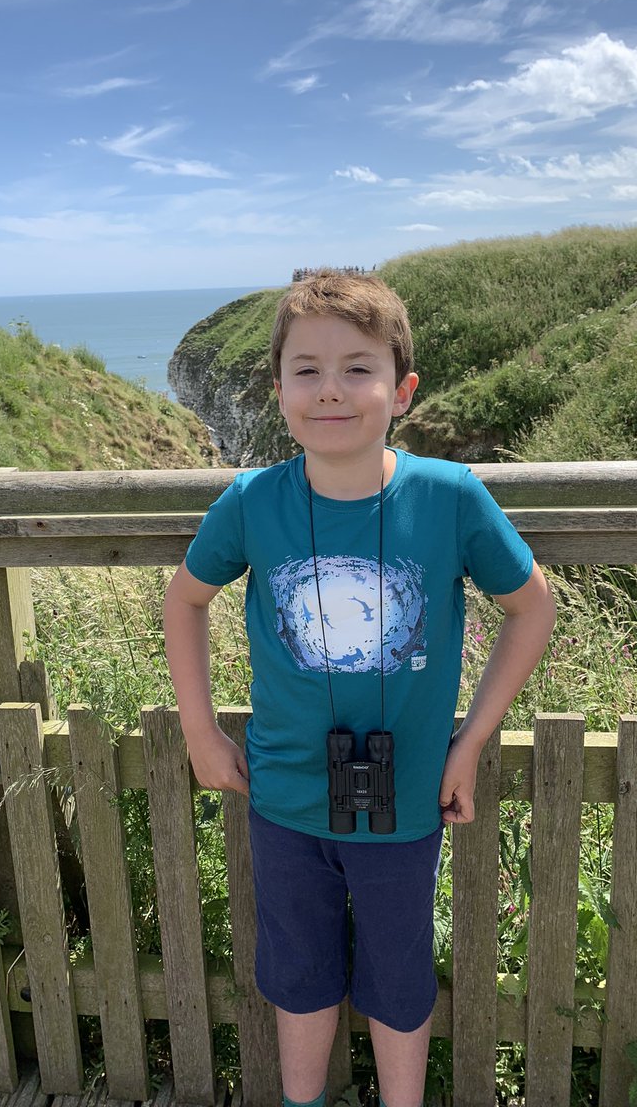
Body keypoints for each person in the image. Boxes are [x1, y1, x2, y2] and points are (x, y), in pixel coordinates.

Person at [163, 272, 556, 1107]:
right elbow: (185, 599)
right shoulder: (251, 500)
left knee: (399, 973)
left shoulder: (450, 497)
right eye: (306, 370)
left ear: (401, 390)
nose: (330, 390)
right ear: (277, 392)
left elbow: (530, 609)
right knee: (298, 973)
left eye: (357, 368)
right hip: (285, 795)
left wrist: (472, 740)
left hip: (408, 798)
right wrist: (200, 732)